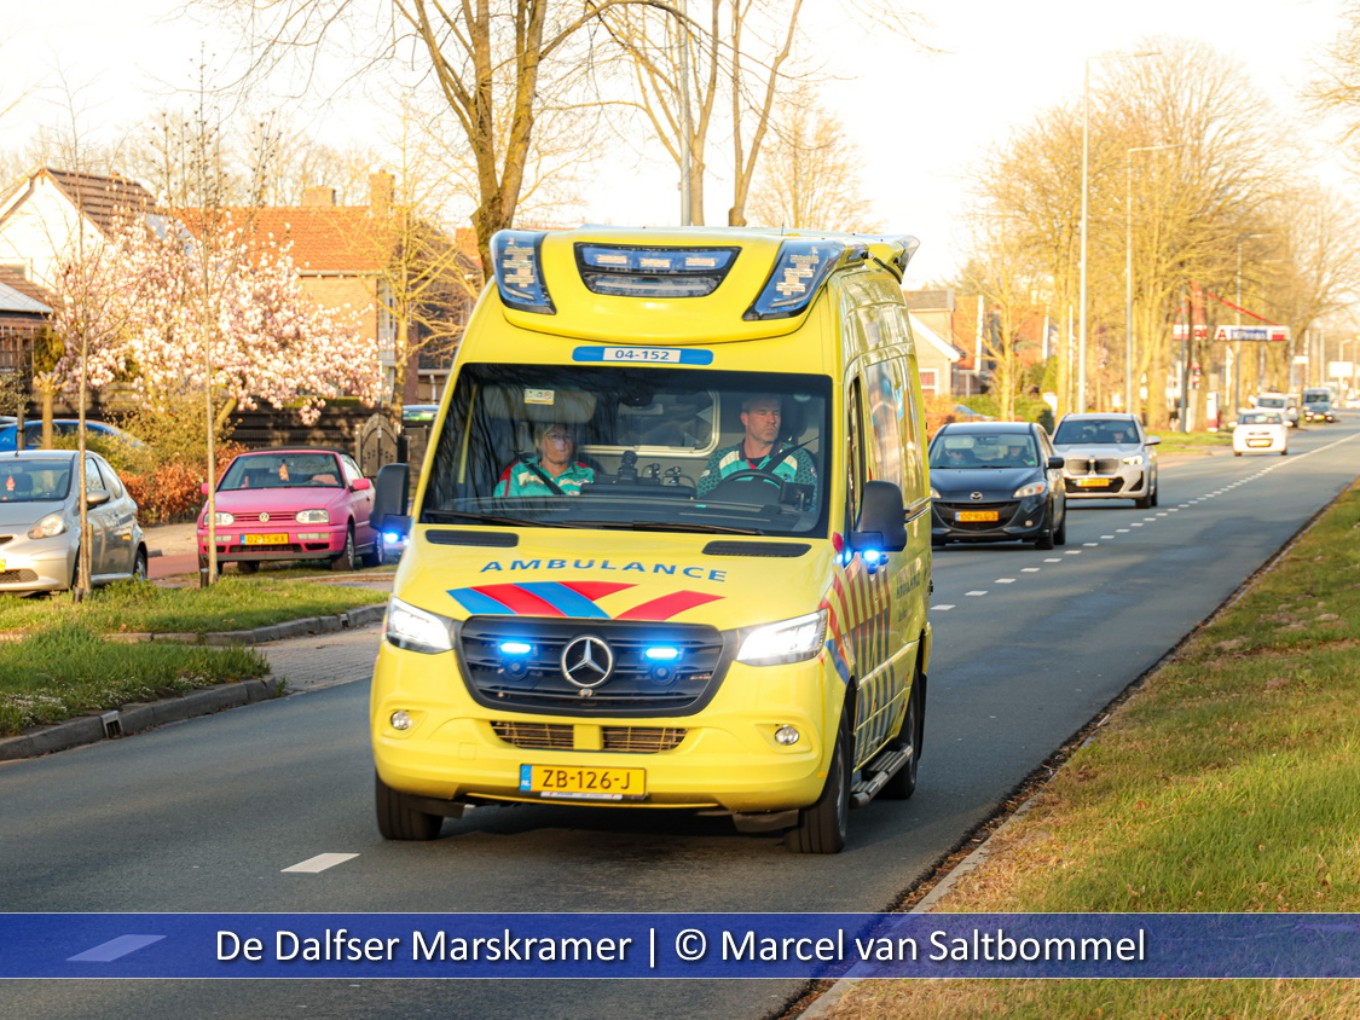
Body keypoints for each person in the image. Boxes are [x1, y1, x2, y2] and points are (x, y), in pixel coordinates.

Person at [696, 394, 817, 499]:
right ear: (745, 419)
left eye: (776, 413)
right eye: (762, 413)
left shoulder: (798, 457)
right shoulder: (721, 459)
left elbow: (810, 503)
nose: (771, 420)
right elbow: (703, 500)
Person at [495, 423, 595, 496]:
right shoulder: (517, 471)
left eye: (568, 436)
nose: (562, 443)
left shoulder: (588, 474)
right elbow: (502, 511)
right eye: (554, 436)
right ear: (539, 442)